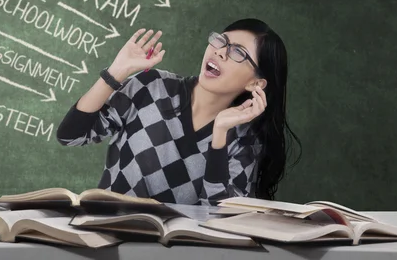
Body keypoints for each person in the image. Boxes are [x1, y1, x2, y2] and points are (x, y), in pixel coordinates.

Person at [56, 18, 301, 205]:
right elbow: (71, 135)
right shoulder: (150, 87)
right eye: (221, 41)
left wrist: (220, 134)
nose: (220, 51)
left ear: (255, 84)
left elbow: (221, 216)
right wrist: (117, 72)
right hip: (106, 239)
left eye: (237, 52)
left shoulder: (245, 139)